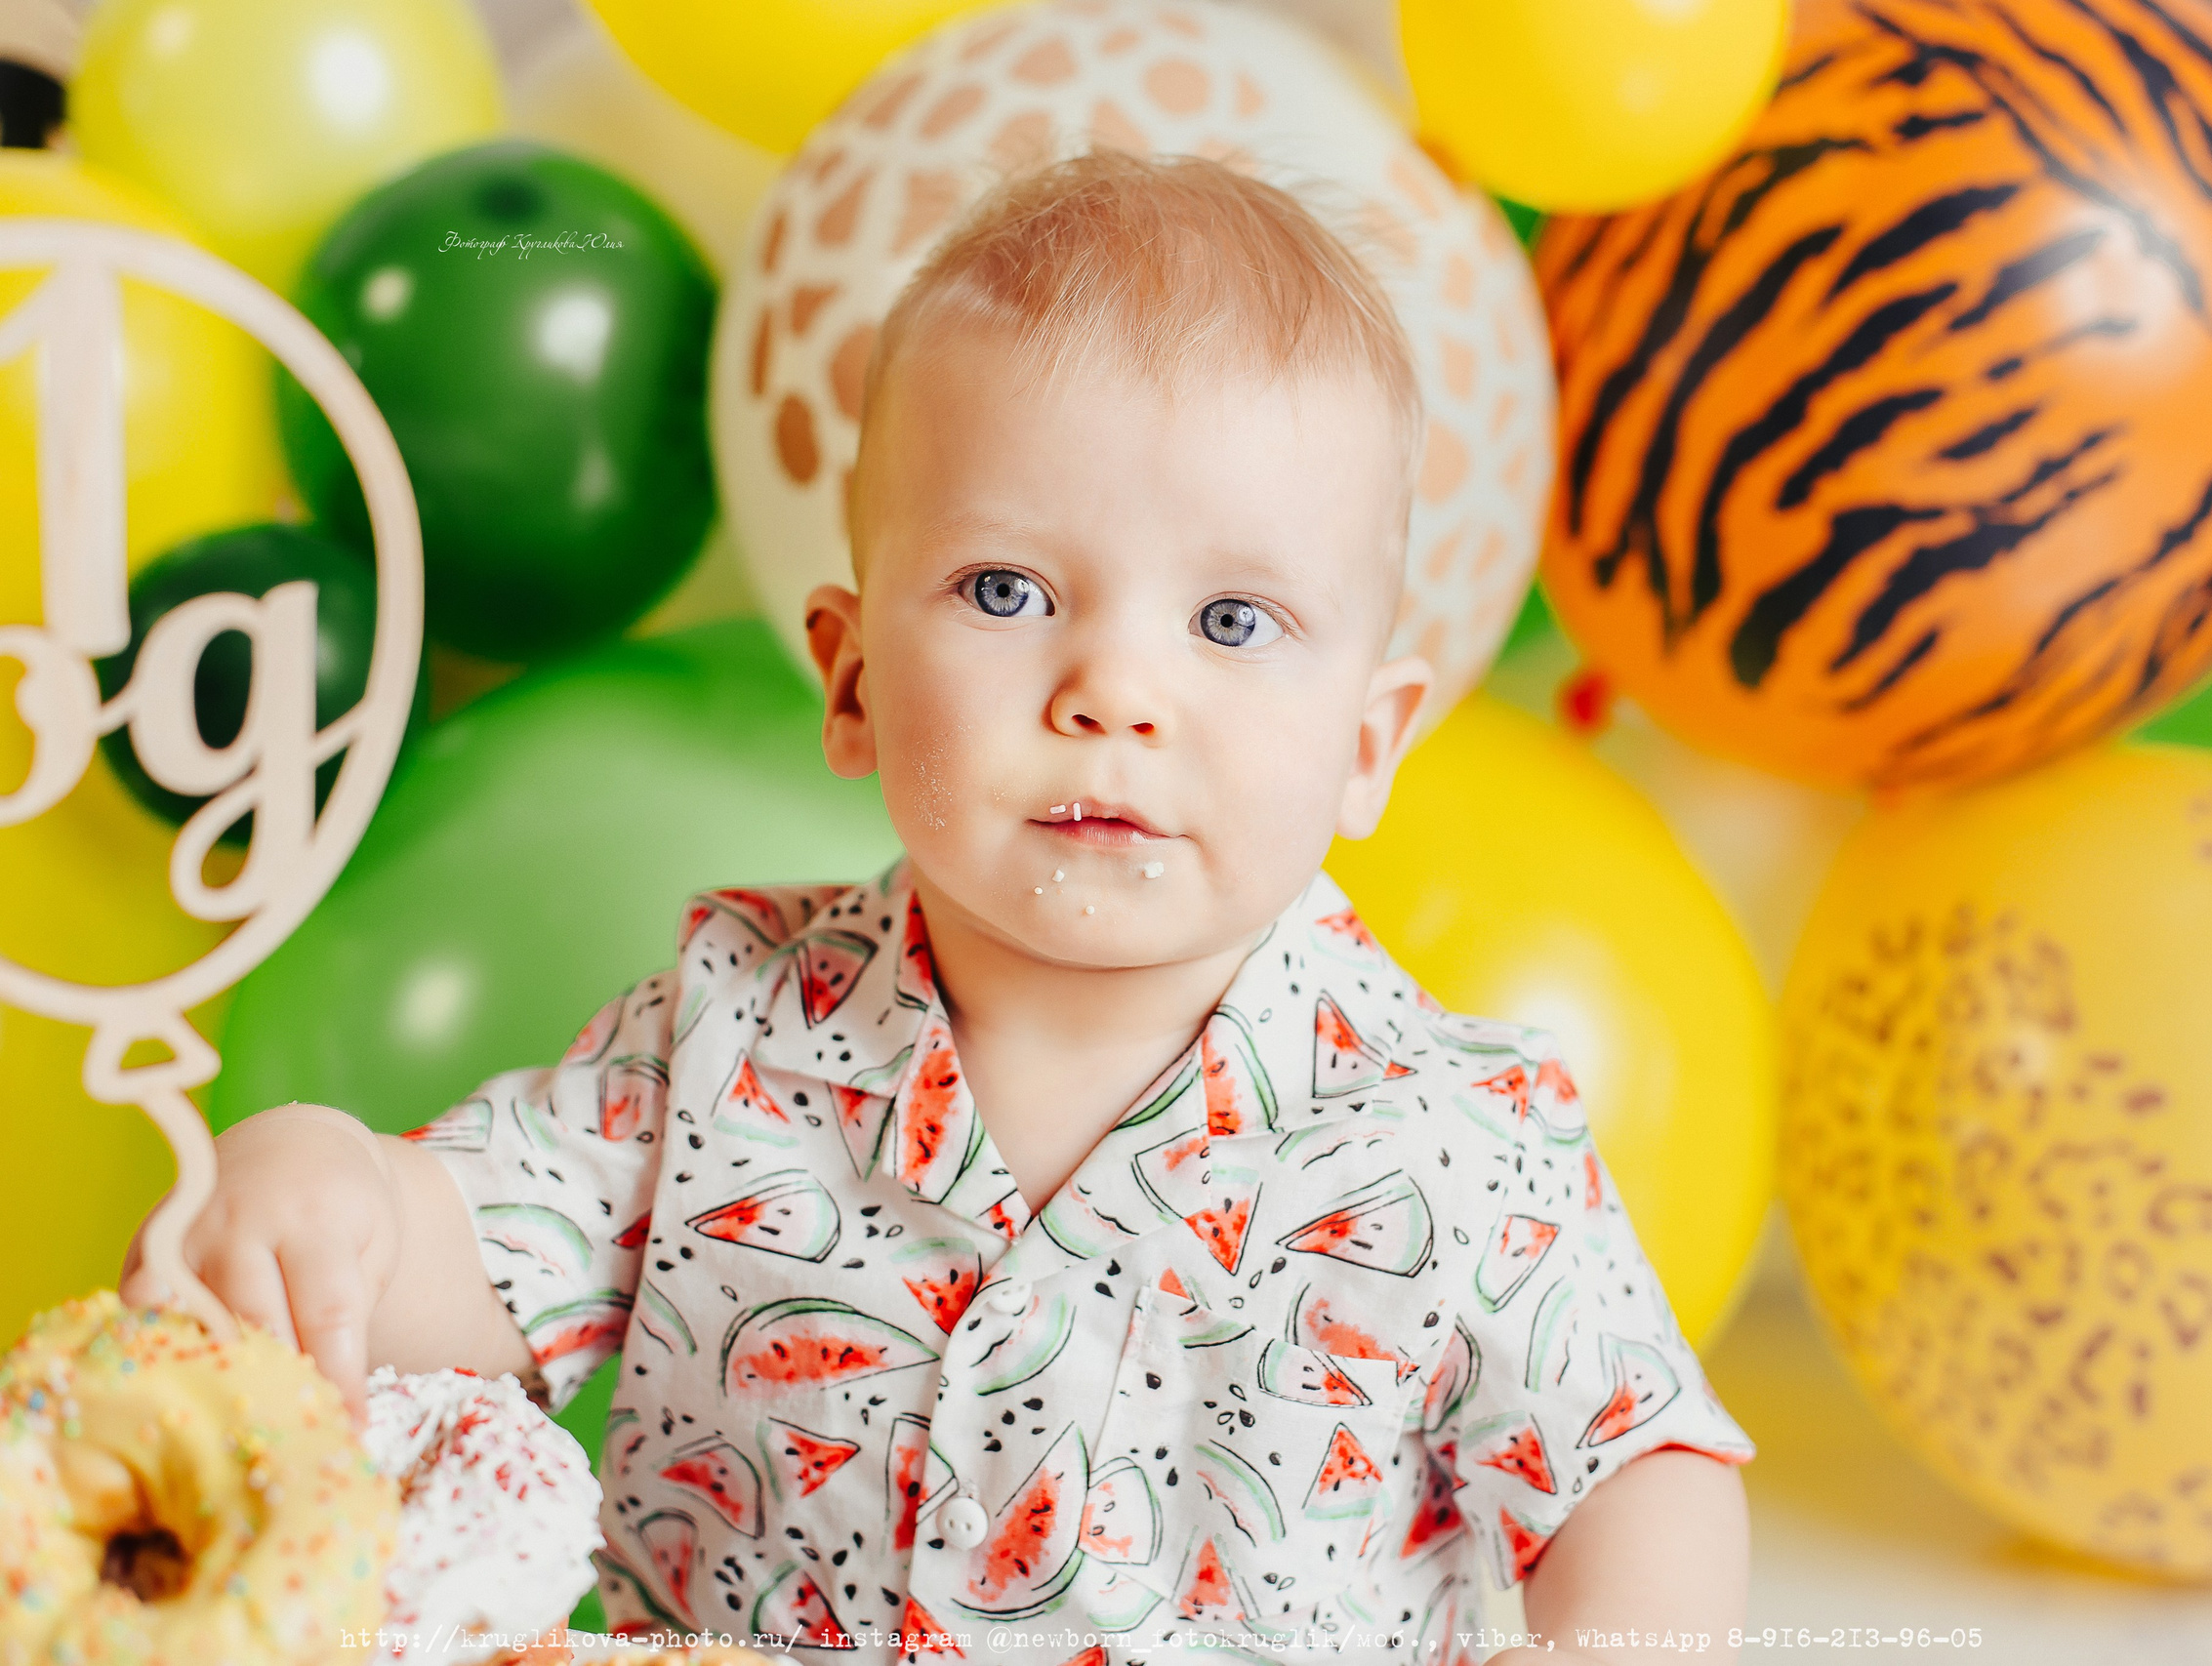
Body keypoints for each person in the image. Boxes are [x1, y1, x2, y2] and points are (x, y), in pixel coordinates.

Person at [127, 149, 1752, 1665]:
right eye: (1007, 591)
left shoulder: (1457, 1142)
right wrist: (330, 1192)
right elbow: (474, 1252)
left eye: (1235, 621)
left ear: (1367, 745)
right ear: (845, 675)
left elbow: (1635, 1466)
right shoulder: (726, 1036)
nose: (1115, 689)